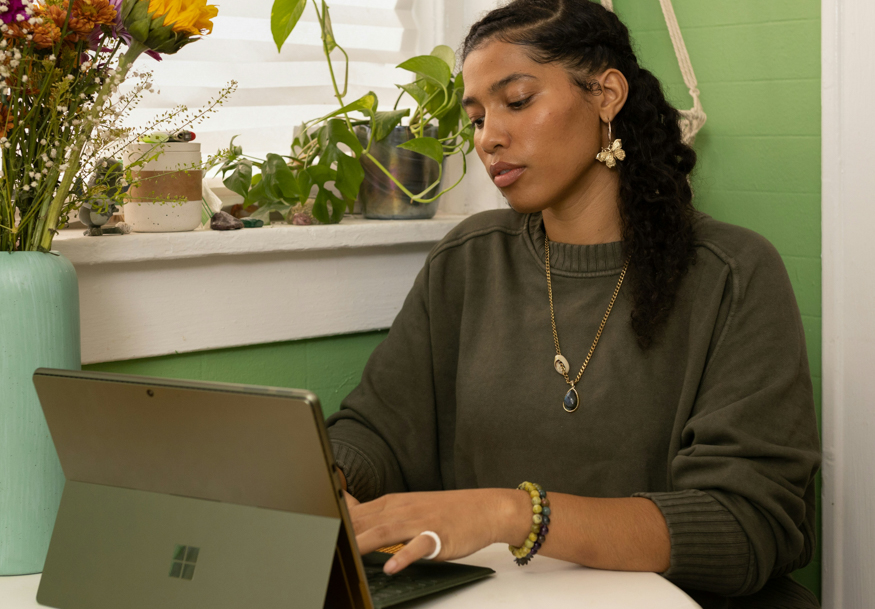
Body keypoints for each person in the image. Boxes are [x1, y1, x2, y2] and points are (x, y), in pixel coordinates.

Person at [324, 0, 821, 607]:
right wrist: (328, 481)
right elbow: (378, 427)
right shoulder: (469, 259)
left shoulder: (732, 274)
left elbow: (747, 524)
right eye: (477, 117)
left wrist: (514, 514)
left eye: (518, 101)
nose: (490, 139)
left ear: (606, 95)